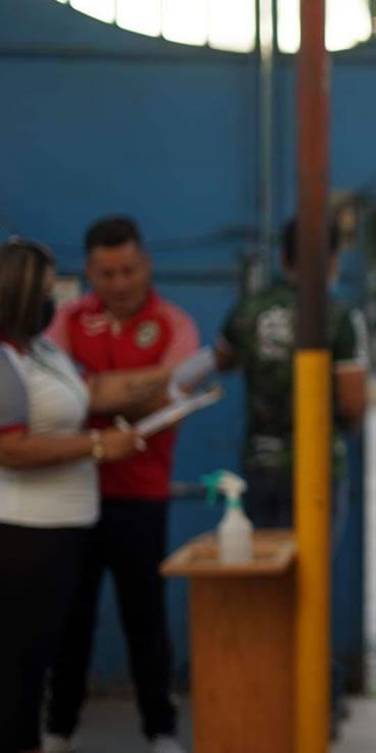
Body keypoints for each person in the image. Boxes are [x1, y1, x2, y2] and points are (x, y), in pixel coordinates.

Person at [44, 217, 199, 753]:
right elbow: (58, 398)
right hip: (71, 493)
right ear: (89, 272)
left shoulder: (174, 322)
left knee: (145, 617)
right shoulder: (66, 319)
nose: (119, 283)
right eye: (107, 273)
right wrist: (138, 387)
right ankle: (59, 728)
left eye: (129, 270)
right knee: (71, 617)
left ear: (146, 265)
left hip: (141, 494)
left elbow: (174, 392)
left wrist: (92, 392)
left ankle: (159, 730)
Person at [0, 237, 146, 753]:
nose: (53, 300)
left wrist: (175, 380)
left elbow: (95, 391)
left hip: (63, 530)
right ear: (19, 294)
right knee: (18, 669)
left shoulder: (40, 352)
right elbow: (10, 449)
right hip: (25, 535)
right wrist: (97, 445)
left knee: (40, 658)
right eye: (45, 290)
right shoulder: (3, 360)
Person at [173, 217, 368, 528]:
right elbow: (351, 402)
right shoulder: (339, 316)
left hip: (260, 463)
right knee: (312, 572)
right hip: (318, 465)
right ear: (332, 261)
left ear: (283, 258)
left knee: (267, 565)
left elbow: (218, 361)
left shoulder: (249, 309)